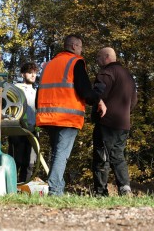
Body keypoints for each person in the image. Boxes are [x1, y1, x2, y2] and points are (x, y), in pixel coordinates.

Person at [36, 35, 106, 196]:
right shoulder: (76, 62)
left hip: (47, 116)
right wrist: (98, 99)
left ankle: (58, 190)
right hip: (67, 117)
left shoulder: (48, 65)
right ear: (74, 46)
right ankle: (54, 189)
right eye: (81, 47)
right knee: (62, 154)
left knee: (56, 153)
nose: (81, 51)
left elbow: (39, 92)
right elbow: (85, 91)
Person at [91, 47, 137, 197]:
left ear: (106, 57)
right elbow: (134, 101)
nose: (97, 60)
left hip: (107, 123)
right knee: (118, 155)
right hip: (124, 124)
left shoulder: (106, 73)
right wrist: (124, 113)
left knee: (101, 158)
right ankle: (125, 188)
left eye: (98, 57)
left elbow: (97, 95)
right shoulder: (128, 76)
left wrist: (94, 109)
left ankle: (100, 193)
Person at [8, 62, 39, 183]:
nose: (33, 75)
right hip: (18, 130)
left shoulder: (36, 91)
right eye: (30, 73)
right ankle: (12, 186)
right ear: (23, 74)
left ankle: (24, 187)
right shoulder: (15, 89)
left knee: (30, 163)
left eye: (35, 73)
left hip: (32, 131)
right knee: (16, 160)